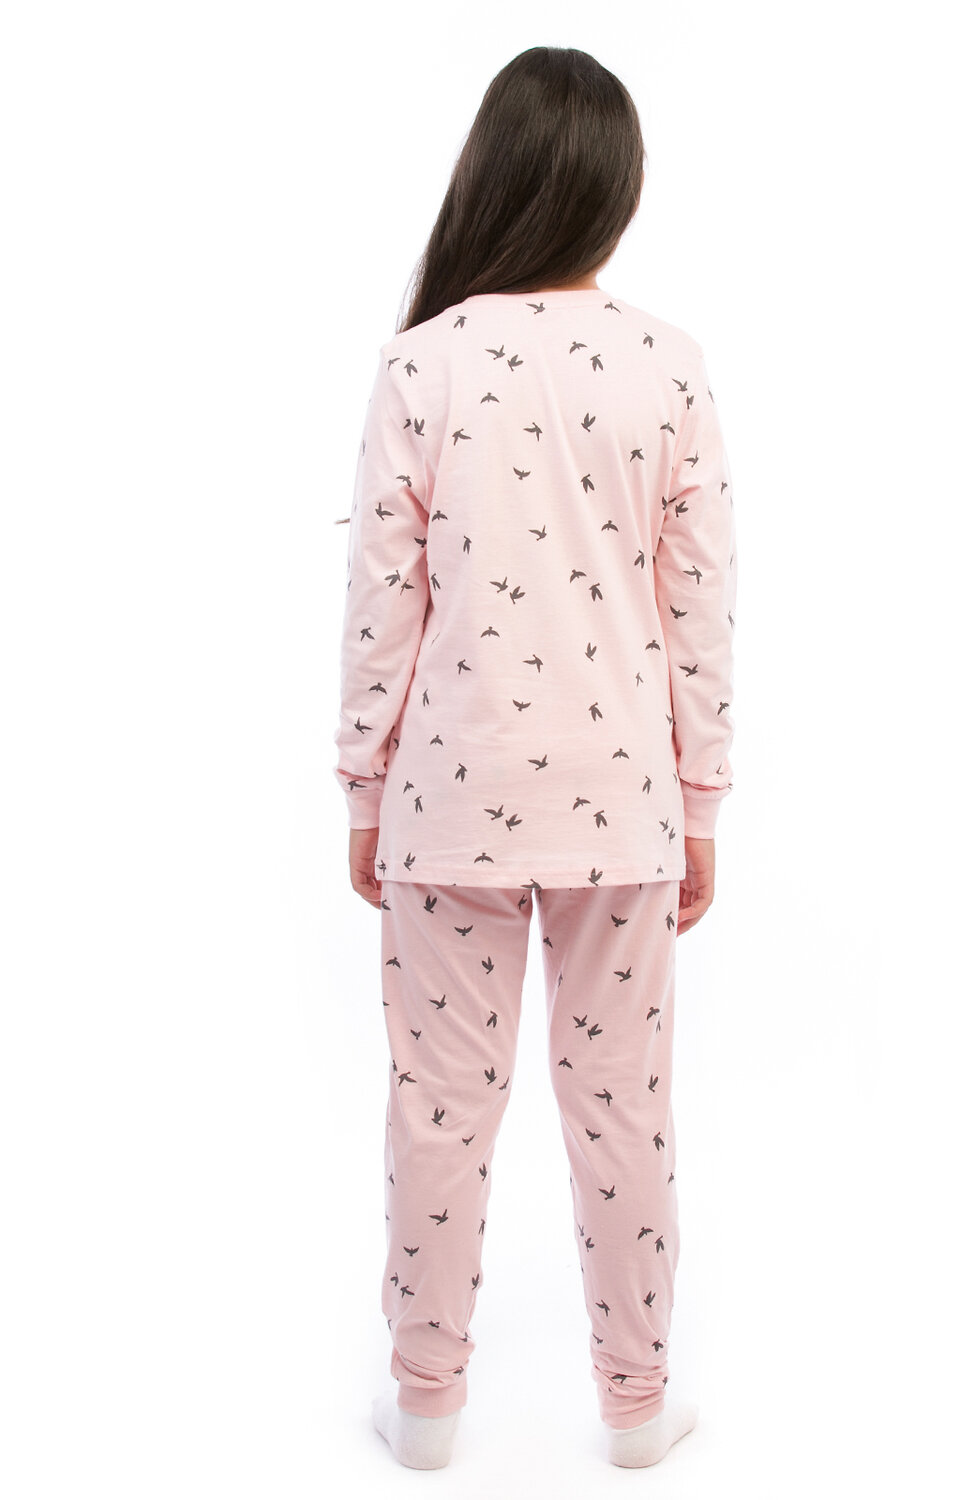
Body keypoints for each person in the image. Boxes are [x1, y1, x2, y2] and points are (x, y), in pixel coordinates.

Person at [332, 45, 737, 1471]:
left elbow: (382, 606)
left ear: (491, 178)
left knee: (439, 1109)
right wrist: (698, 806)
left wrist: (364, 790)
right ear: (615, 190)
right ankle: (637, 1407)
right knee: (622, 1109)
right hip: (622, 807)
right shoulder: (668, 365)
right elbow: (699, 611)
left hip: (448, 800)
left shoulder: (420, 363)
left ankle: (425, 1407)